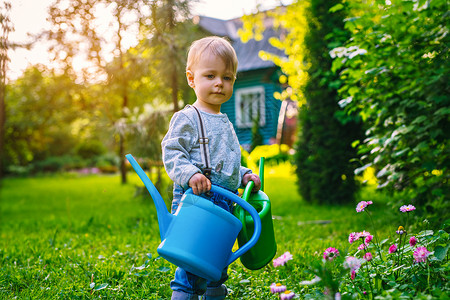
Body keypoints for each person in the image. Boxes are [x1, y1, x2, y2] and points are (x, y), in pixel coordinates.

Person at [161, 36, 261, 300]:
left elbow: (228, 162)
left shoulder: (226, 122)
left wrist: (243, 174)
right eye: (210, 75)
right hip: (197, 202)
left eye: (227, 78)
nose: (219, 83)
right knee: (193, 263)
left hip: (225, 203)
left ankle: (215, 292)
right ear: (192, 79)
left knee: (217, 261)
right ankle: (184, 294)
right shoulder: (187, 117)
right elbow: (172, 152)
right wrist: (191, 174)